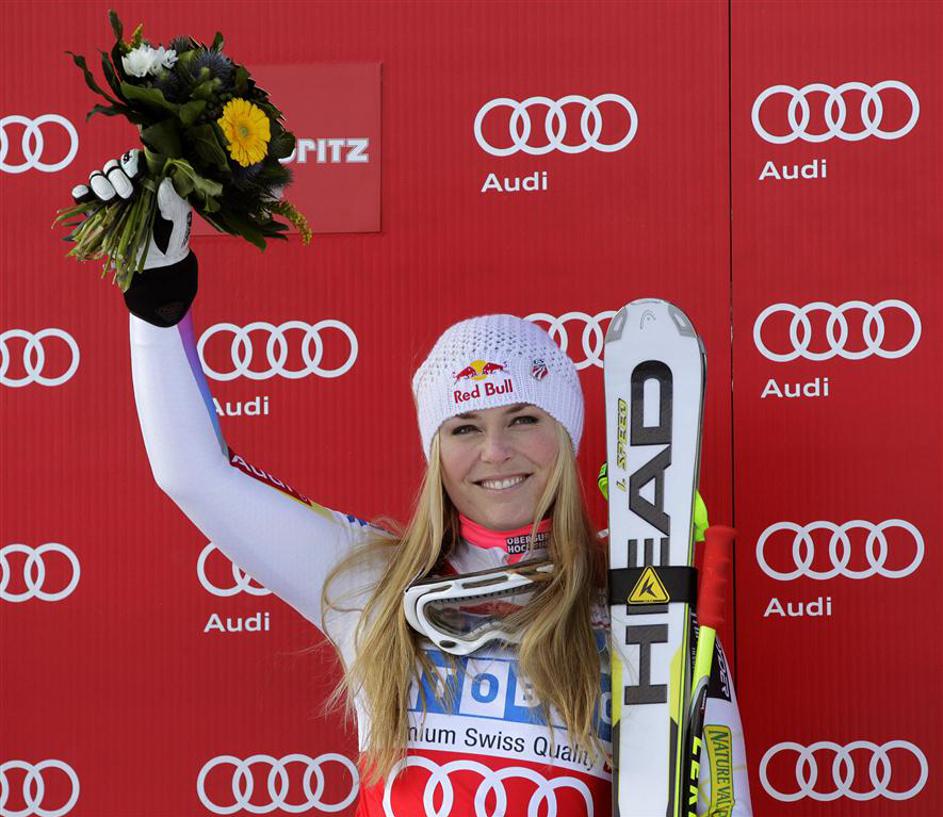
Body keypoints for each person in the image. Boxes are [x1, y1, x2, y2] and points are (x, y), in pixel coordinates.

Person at [74, 152, 752, 817]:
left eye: (523, 419)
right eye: (463, 427)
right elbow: (195, 473)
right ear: (435, 452)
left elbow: (726, 802)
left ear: (567, 436)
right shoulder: (372, 585)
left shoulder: (645, 604)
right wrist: (158, 302)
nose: (495, 451)